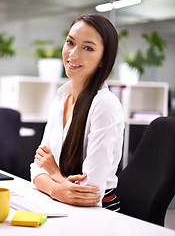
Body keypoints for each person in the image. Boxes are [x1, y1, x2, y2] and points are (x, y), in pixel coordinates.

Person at [30, 14, 124, 212]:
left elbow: (89, 192)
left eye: (88, 48)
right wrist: (59, 189)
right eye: (70, 42)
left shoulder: (105, 105)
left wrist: (54, 174)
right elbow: (37, 168)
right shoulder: (61, 98)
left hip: (98, 213)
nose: (72, 54)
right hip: (60, 203)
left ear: (103, 59)